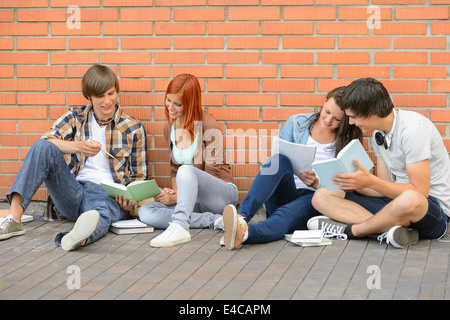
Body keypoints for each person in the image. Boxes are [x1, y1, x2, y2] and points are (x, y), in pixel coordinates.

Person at [0, 65, 148, 251]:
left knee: (101, 212)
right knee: (42, 147)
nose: (107, 101)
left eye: (111, 93)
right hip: (72, 190)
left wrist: (130, 200)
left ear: (116, 90)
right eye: (100, 96)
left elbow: (139, 178)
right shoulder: (75, 117)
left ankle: (78, 238)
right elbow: (46, 141)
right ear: (89, 97)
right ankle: (14, 218)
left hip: (107, 196)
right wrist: (77, 147)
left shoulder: (134, 128)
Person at [308, 78, 450, 248]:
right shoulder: (378, 135)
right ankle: (391, 230)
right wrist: (356, 183)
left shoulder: (413, 130)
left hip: (432, 209)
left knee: (410, 199)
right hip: (395, 203)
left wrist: (371, 181)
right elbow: (385, 186)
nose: (351, 122)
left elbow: (420, 192)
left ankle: (353, 231)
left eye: (353, 117)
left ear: (372, 112)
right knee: (322, 196)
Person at [222, 86, 362, 250]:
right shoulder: (297, 123)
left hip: (314, 198)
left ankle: (244, 233)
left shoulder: (348, 139)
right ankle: (241, 217)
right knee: (278, 161)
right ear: (323, 103)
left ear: (346, 119)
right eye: (327, 111)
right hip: (286, 191)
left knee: (284, 215)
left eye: (337, 119)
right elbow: (275, 164)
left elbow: (347, 188)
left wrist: (317, 183)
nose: (328, 120)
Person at [139, 73, 238, 248]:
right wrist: (174, 195)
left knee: (187, 170)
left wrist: (179, 198)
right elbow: (174, 169)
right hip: (194, 201)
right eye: (168, 100)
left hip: (221, 195)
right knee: (146, 212)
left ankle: (181, 227)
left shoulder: (209, 125)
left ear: (190, 103)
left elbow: (211, 174)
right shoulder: (169, 127)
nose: (171, 107)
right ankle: (215, 221)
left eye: (178, 104)